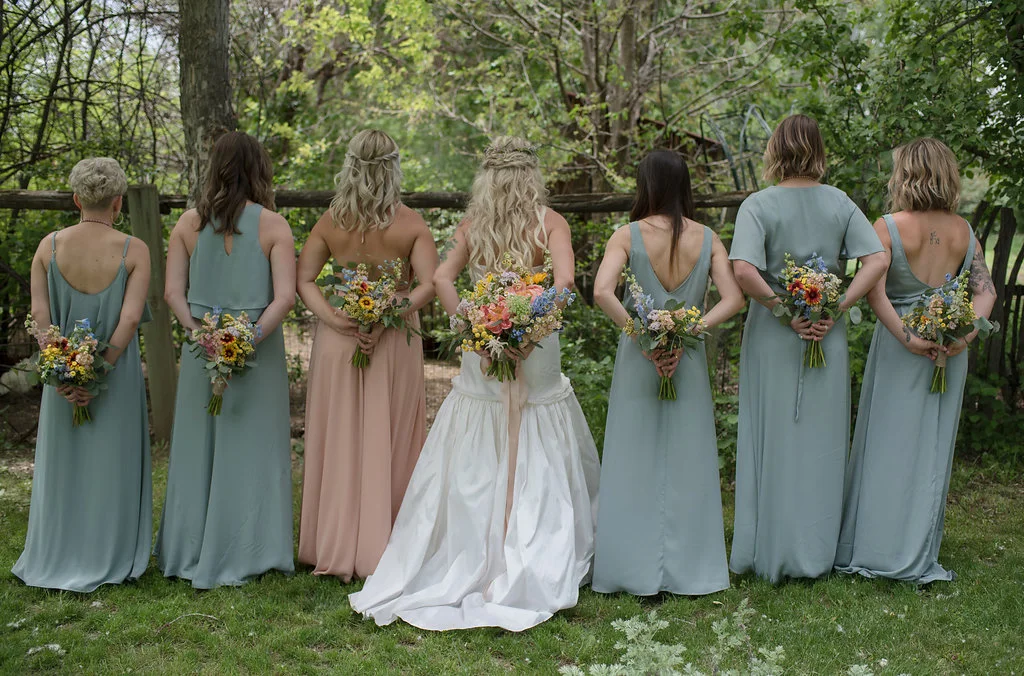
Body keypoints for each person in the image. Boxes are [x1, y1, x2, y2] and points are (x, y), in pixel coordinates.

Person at [349, 136, 600, 631]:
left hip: (481, 348)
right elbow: (565, 285)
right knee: (538, 434)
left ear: (486, 179)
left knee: (474, 445)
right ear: (532, 177)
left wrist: (473, 322)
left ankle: (467, 551)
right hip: (537, 347)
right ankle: (534, 549)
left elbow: (442, 278)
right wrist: (529, 331)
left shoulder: (473, 225)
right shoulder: (550, 223)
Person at [728, 114, 889, 582]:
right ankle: (815, 552)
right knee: (820, 438)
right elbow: (877, 259)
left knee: (771, 434)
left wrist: (781, 308)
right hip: (826, 334)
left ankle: (765, 549)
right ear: (818, 151)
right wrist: (835, 308)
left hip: (775, 335)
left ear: (776, 150)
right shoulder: (839, 203)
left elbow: (743, 271)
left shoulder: (758, 205)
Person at [835, 138, 997, 584]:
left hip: (899, 346)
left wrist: (907, 336)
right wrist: (964, 335)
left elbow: (874, 290)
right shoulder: (965, 231)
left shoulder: (886, 227)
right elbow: (987, 292)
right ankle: (915, 549)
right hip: (948, 350)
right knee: (930, 448)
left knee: (884, 443)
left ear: (904, 174)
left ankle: (873, 547)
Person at [591, 150, 745, 596]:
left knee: (632, 458)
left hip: (640, 358)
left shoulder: (626, 234)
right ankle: (690, 568)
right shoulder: (709, 237)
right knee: (688, 459)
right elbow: (733, 298)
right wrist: (688, 329)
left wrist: (644, 338)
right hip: (689, 359)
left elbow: (602, 291)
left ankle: (629, 569)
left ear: (647, 185)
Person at [156, 131, 296, 589]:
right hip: (257, 348)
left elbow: (173, 294)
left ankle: (193, 548)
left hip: (203, 349)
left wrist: (203, 337)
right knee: (255, 445)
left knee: (200, 447)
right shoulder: (274, 225)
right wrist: (247, 339)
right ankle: (252, 548)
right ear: (260, 169)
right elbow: (285, 298)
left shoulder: (187, 224)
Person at [297, 130, 437, 580]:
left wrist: (336, 319)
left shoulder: (330, 222)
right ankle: (388, 541)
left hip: (340, 341)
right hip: (393, 340)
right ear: (394, 167)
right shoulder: (412, 224)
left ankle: (333, 543)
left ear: (350, 165)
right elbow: (430, 286)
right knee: (391, 436)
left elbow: (305, 281)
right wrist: (389, 313)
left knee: (338, 435)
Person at [13, 158, 152, 592]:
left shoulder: (47, 247)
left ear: (76, 200)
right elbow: (128, 320)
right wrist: (99, 372)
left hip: (61, 379)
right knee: (114, 463)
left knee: (65, 467)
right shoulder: (135, 249)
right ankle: (109, 554)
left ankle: (57, 552)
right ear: (118, 202)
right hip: (116, 375)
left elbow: (40, 316)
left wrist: (63, 374)